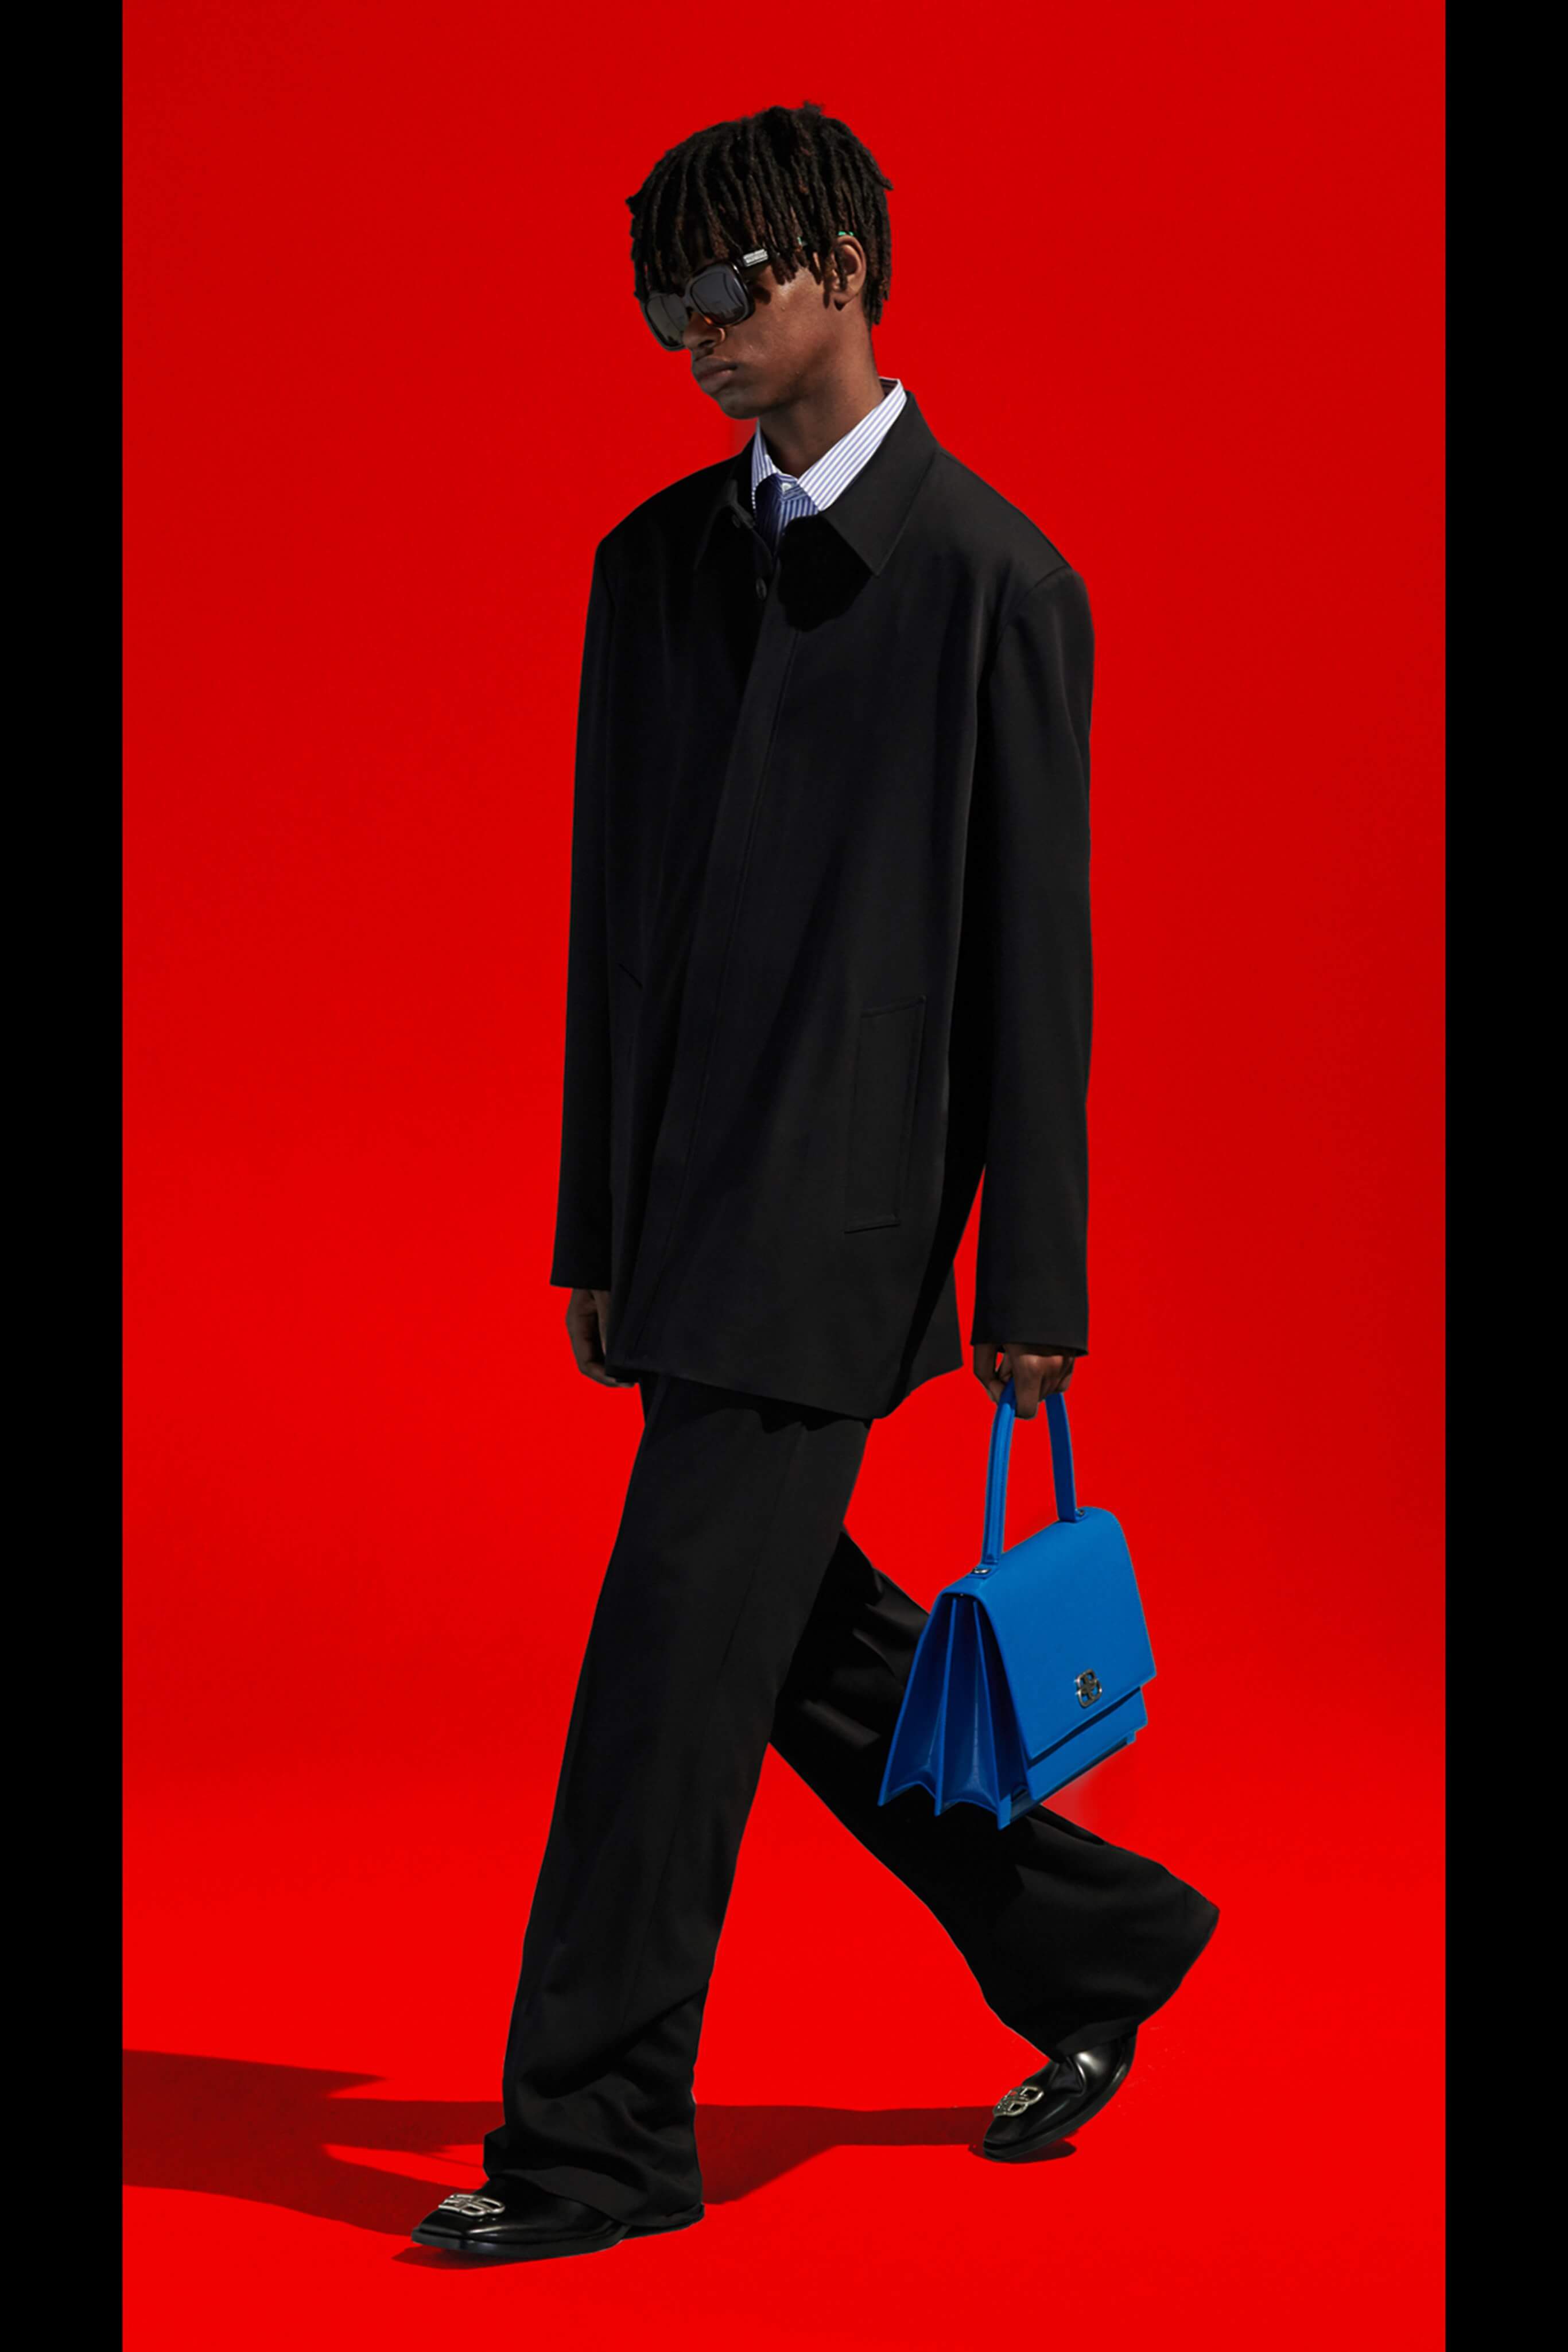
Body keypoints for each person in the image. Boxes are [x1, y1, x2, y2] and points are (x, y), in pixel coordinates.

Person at [414, 100, 1218, 2264]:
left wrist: (1030, 1282)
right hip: (680, 1215)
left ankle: (595, 2146)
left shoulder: (996, 584)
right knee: (786, 1646)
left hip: (842, 1230)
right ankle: (1099, 1936)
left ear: (844, 269)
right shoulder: (649, 565)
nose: (691, 333)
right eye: (660, 302)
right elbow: (609, 927)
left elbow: (1034, 965)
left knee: (661, 1688)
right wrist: (593, 1225)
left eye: (728, 285)